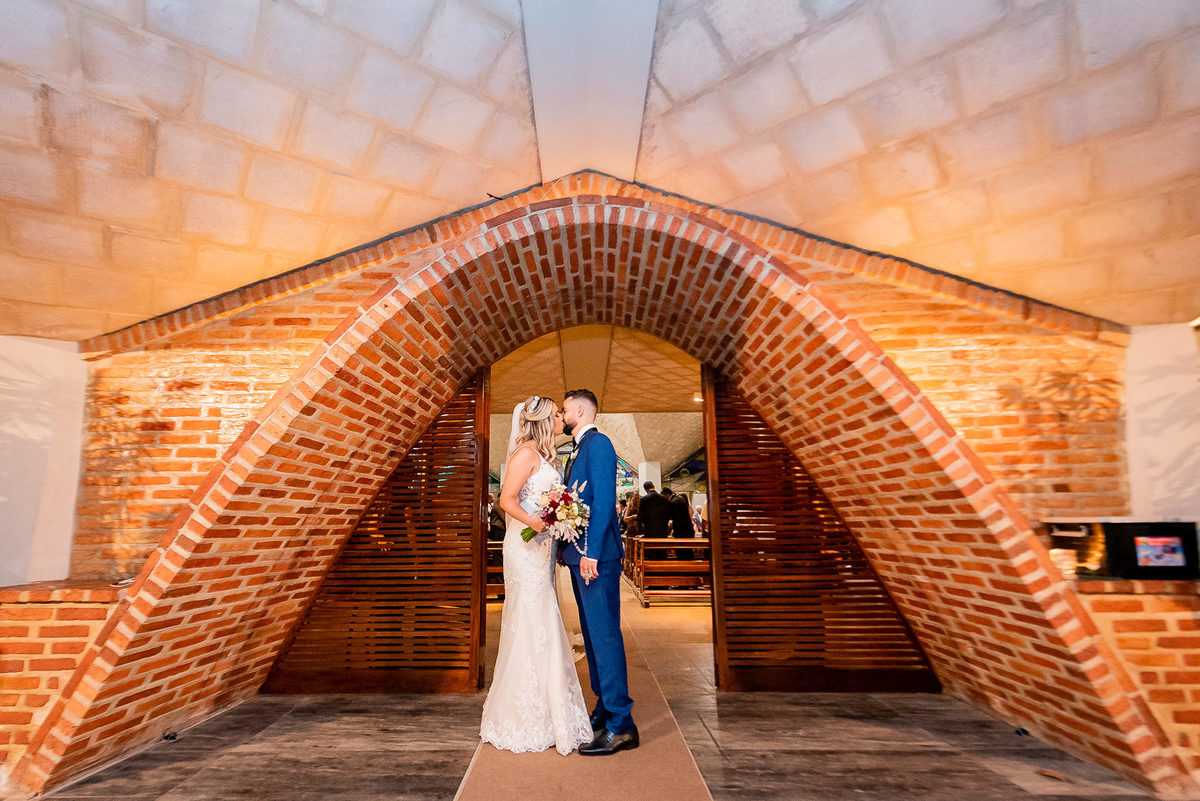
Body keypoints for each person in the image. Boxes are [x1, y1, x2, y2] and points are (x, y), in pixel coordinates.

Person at [479, 396, 592, 755]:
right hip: (523, 547)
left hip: (540, 549)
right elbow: (507, 499)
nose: (562, 417)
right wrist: (539, 521)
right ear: (543, 420)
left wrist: (558, 520)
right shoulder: (525, 453)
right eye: (557, 414)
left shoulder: (545, 455)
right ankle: (524, 715)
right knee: (531, 618)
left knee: (544, 616)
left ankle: (552, 708)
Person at [560, 388, 638, 755]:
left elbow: (604, 500)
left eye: (564, 410)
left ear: (579, 410)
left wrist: (590, 552)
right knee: (592, 637)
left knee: (605, 637)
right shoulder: (578, 449)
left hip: (596, 558)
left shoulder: (600, 443)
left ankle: (622, 725)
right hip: (580, 557)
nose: (561, 416)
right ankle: (605, 708)